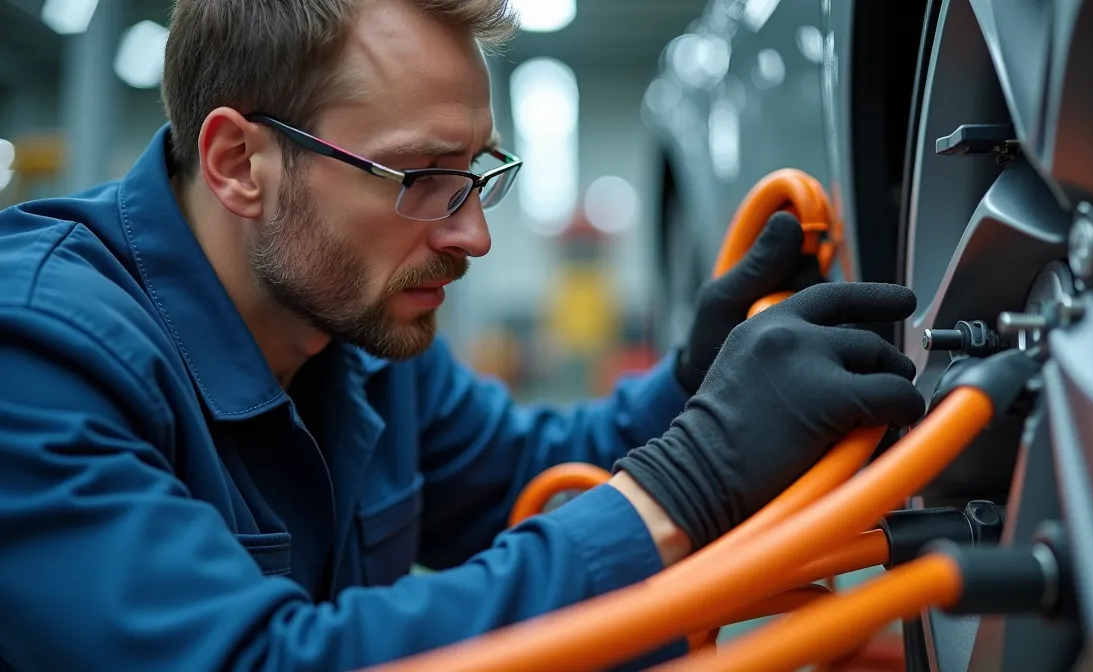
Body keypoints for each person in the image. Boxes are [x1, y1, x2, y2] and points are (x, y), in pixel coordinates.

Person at [0, 1, 927, 670]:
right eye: (418, 176)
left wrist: (696, 380)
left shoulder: (350, 335)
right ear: (240, 162)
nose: (472, 233)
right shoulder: (38, 355)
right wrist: (686, 485)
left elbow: (529, 472)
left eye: (476, 171)